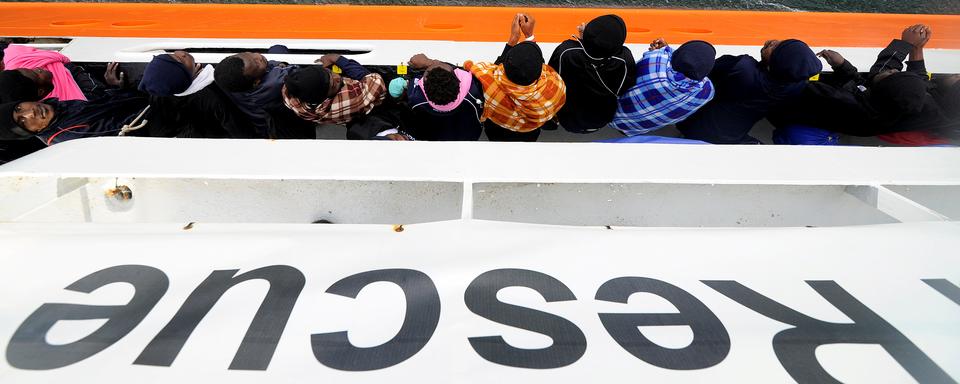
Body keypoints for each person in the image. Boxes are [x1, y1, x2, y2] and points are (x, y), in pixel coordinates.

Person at [769, 24, 958, 145]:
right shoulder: (929, 103)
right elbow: (918, 83)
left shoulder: (846, 103)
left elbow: (877, 73)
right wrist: (843, 66)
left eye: (957, 78)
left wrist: (777, 57)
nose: (956, 74)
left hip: (795, 110)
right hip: (865, 114)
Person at [676, 38, 822, 144]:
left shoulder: (741, 68)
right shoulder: (795, 86)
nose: (773, 41)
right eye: (782, 43)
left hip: (691, 125)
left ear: (773, 67)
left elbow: (697, 70)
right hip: (732, 136)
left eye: (777, 49)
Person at [465, 13, 566, 142]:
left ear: (504, 66)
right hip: (530, 134)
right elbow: (541, 68)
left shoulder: (489, 87)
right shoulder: (556, 87)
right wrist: (530, 36)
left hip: (496, 130)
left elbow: (489, 73)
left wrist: (513, 40)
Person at [548, 14, 636, 134]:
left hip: (566, 117)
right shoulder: (624, 60)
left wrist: (587, 41)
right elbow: (625, 88)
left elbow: (551, 78)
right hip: (601, 119)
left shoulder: (566, 52)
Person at [610, 39, 716, 137]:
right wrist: (666, 50)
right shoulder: (707, 92)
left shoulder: (655, 59)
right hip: (635, 130)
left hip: (611, 115)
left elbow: (660, 60)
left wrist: (664, 49)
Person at [139, 51, 257, 138]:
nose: (182, 53)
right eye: (181, 61)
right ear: (186, 78)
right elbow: (241, 132)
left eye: (173, 54)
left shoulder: (159, 94)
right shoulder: (215, 96)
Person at [281, 54, 391, 139]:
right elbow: (375, 81)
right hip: (372, 111)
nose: (337, 77)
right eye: (334, 85)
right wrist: (337, 59)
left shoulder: (292, 96)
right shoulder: (347, 101)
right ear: (325, 98)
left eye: (330, 72)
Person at [0, 91, 149, 146]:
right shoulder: (69, 135)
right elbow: (134, 126)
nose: (29, 113)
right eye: (22, 121)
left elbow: (105, 100)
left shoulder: (57, 110)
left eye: (19, 108)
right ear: (32, 132)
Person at [214, 47, 299, 137]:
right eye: (257, 64)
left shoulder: (227, 81)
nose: (258, 56)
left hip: (257, 115)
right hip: (281, 131)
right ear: (256, 82)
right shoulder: (275, 83)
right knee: (278, 49)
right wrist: (281, 64)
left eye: (249, 53)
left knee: (276, 50)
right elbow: (297, 70)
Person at [404, 53, 485, 141]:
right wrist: (429, 62)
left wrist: (429, 63)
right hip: (469, 139)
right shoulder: (476, 91)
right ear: (458, 80)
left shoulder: (415, 97)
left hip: (432, 141)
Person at [3, 44, 86, 101]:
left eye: (30, 69)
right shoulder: (73, 99)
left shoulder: (15, 58)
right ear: (41, 91)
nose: (37, 68)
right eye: (36, 74)